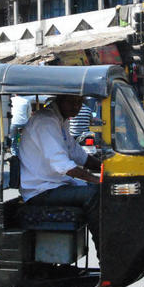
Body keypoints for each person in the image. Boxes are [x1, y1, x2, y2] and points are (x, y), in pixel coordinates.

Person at [18, 95, 102, 249]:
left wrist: (105, 167)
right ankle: (105, 255)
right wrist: (96, 180)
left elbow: (77, 154)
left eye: (79, 103)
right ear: (60, 100)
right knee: (95, 194)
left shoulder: (61, 120)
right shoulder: (46, 121)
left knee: (101, 190)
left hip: (55, 185)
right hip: (41, 191)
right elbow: (63, 165)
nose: (77, 107)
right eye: (72, 102)